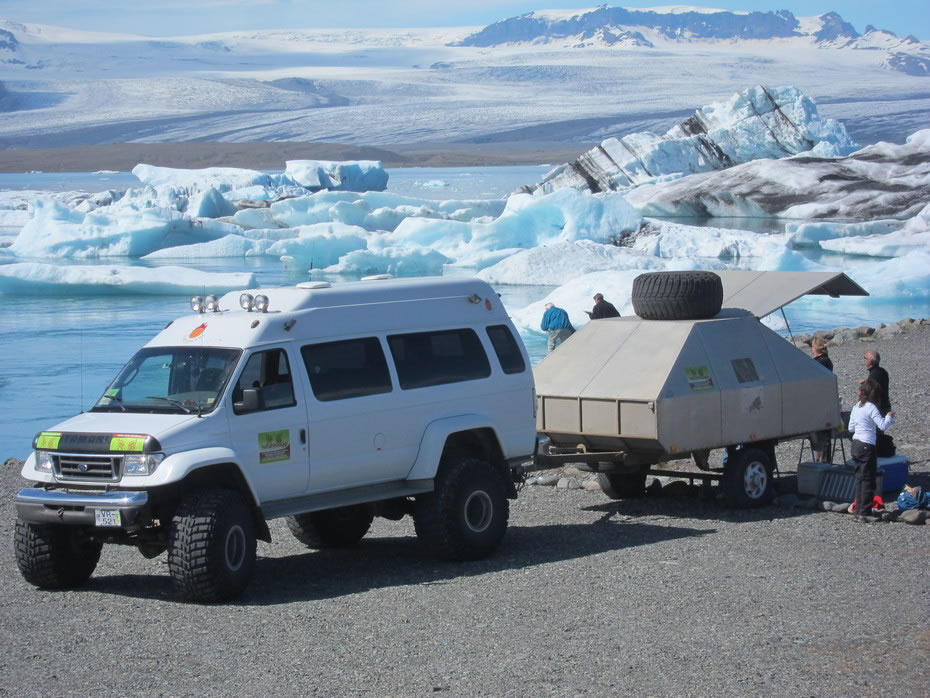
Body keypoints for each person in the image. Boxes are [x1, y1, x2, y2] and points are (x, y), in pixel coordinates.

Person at [848, 379, 895, 523]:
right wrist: (889, 417)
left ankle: (858, 511)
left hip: (855, 444)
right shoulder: (871, 407)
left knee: (860, 479)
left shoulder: (856, 406)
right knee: (868, 479)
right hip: (867, 445)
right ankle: (865, 512)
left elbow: (850, 428)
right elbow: (882, 425)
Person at [809, 337, 834, 462]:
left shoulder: (820, 362)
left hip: (820, 400)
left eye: (812, 347)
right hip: (825, 398)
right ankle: (822, 459)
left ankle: (821, 460)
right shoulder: (826, 360)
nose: (811, 349)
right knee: (823, 433)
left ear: (816, 348)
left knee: (821, 433)